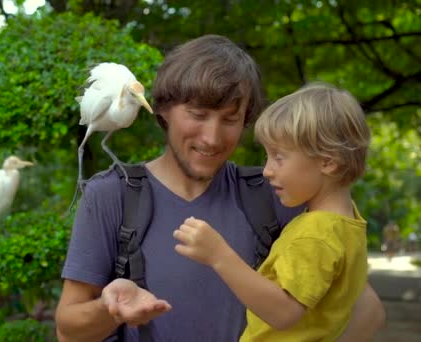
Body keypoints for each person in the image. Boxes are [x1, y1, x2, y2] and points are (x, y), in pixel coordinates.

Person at [55, 35, 385, 342]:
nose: (212, 138)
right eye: (198, 114)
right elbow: (67, 329)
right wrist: (109, 308)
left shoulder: (279, 193)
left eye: (229, 119)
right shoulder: (111, 194)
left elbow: (366, 308)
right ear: (164, 110)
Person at [174, 83, 371, 341]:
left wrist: (218, 255)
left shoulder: (316, 233)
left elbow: (284, 312)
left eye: (279, 157)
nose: (267, 170)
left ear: (327, 162)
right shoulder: (348, 223)